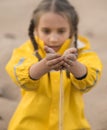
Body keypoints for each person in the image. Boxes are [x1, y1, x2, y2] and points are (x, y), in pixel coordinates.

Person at [5, 0, 102, 130]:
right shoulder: (26, 51)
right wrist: (43, 65)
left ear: (72, 30)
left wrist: (74, 65)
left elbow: (91, 77)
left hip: (71, 125)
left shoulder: (83, 52)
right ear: (36, 30)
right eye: (46, 31)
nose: (53, 38)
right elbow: (18, 75)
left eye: (61, 31)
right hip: (29, 125)